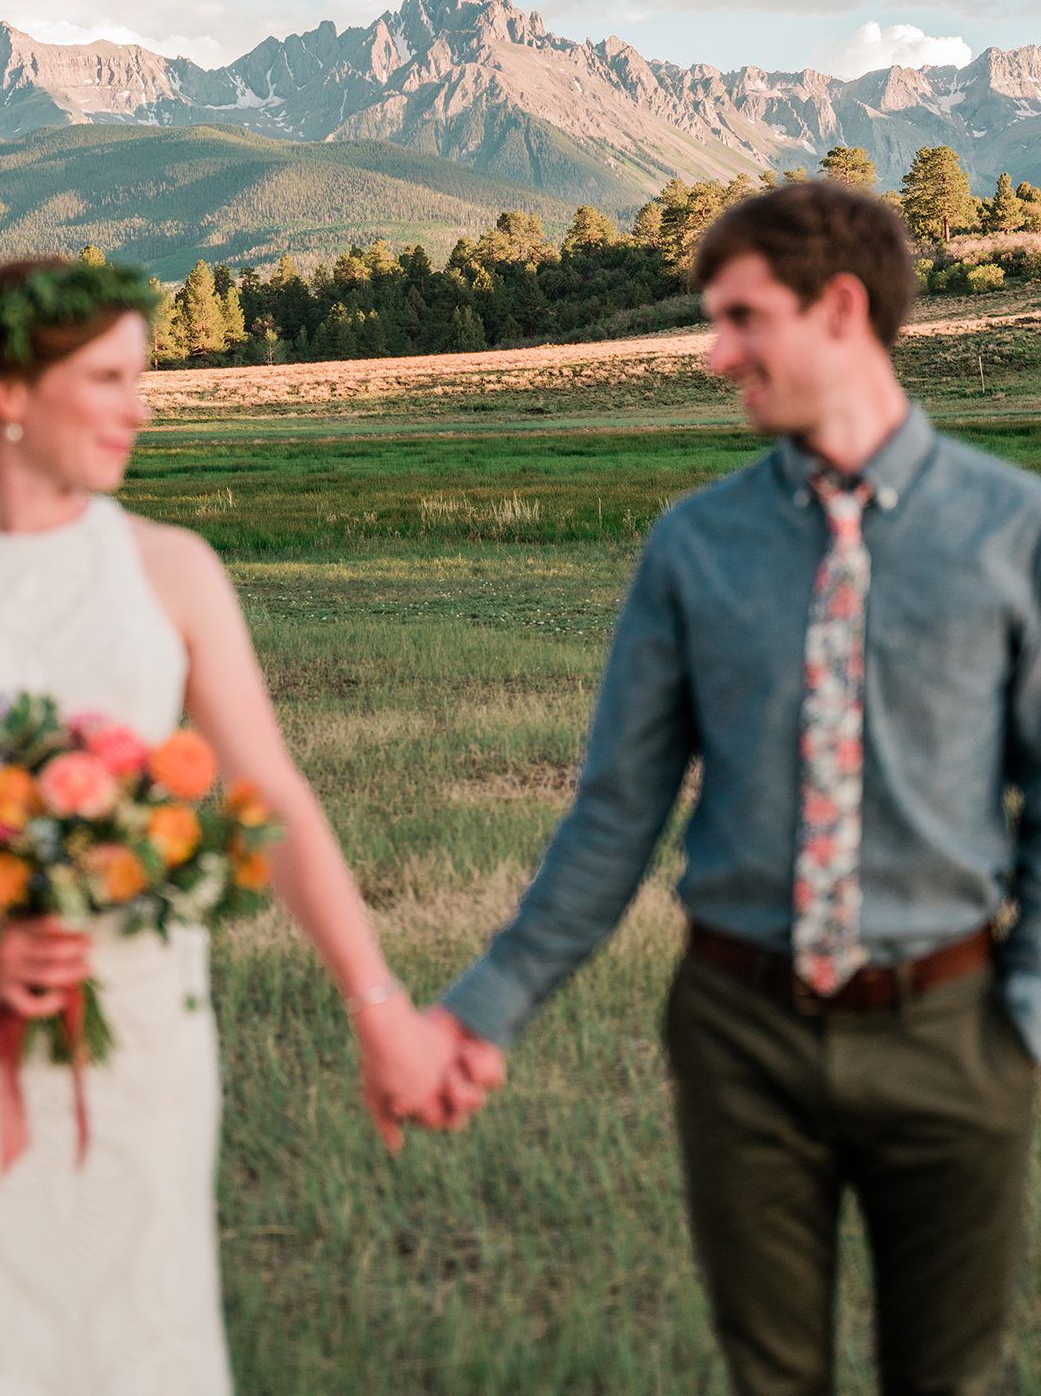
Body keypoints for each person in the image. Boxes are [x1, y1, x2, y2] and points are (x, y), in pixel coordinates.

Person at [422, 182, 1040, 1395]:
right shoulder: (693, 545)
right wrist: (483, 1005)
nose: (716, 355)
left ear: (842, 307)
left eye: (742, 318)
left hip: (952, 1038)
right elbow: (615, 812)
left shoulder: (1015, 531)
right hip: (738, 1033)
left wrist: (1021, 1026)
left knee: (951, 1378)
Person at [0, 256, 472, 1396]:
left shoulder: (173, 570)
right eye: (112, 377)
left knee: (143, 1344)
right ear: (8, 393)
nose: (143, 405)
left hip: (142, 1041)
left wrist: (379, 1005)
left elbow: (268, 794)